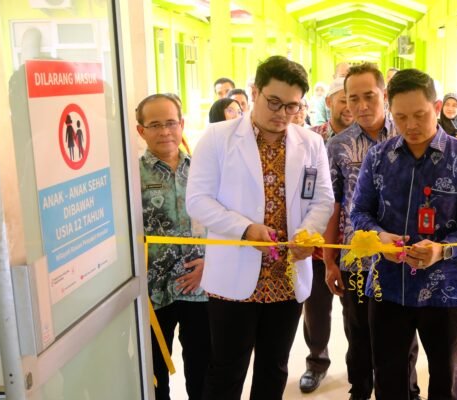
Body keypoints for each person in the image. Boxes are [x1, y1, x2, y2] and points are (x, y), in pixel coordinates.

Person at [186, 55, 334, 400]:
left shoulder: (310, 143)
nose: (282, 113)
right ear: (254, 92)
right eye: (274, 102)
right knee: (226, 370)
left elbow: (323, 199)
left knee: (274, 368)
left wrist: (307, 234)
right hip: (233, 277)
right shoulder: (217, 138)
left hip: (285, 278)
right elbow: (198, 200)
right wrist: (244, 229)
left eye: (292, 106)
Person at [349, 68, 457, 400]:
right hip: (388, 287)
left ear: (437, 107)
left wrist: (442, 249)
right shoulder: (379, 157)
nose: (410, 125)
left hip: (447, 292)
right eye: (400, 117)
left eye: (419, 115)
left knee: (445, 380)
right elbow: (359, 213)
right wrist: (378, 237)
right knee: (390, 381)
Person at [324, 63, 421, 400]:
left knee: (403, 334)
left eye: (369, 96)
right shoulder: (338, 145)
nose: (361, 105)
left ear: (385, 94)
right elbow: (334, 206)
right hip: (356, 259)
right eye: (353, 98)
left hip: (402, 257)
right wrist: (330, 261)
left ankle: (407, 389)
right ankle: (360, 389)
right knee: (358, 331)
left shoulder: (409, 135)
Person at [136, 93, 210, 400]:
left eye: (170, 123)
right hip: (153, 291)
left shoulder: (204, 170)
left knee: (203, 369)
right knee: (154, 373)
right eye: (155, 125)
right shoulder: (132, 175)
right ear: (141, 130)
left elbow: (222, 222)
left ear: (181, 124)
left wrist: (211, 263)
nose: (165, 131)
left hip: (201, 287)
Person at [296, 76, 354, 395]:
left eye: (354, 99)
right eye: (343, 99)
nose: (350, 106)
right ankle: (316, 362)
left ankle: (360, 366)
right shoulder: (310, 139)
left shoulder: (368, 140)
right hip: (316, 243)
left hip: (356, 245)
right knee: (316, 309)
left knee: (356, 312)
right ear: (329, 102)